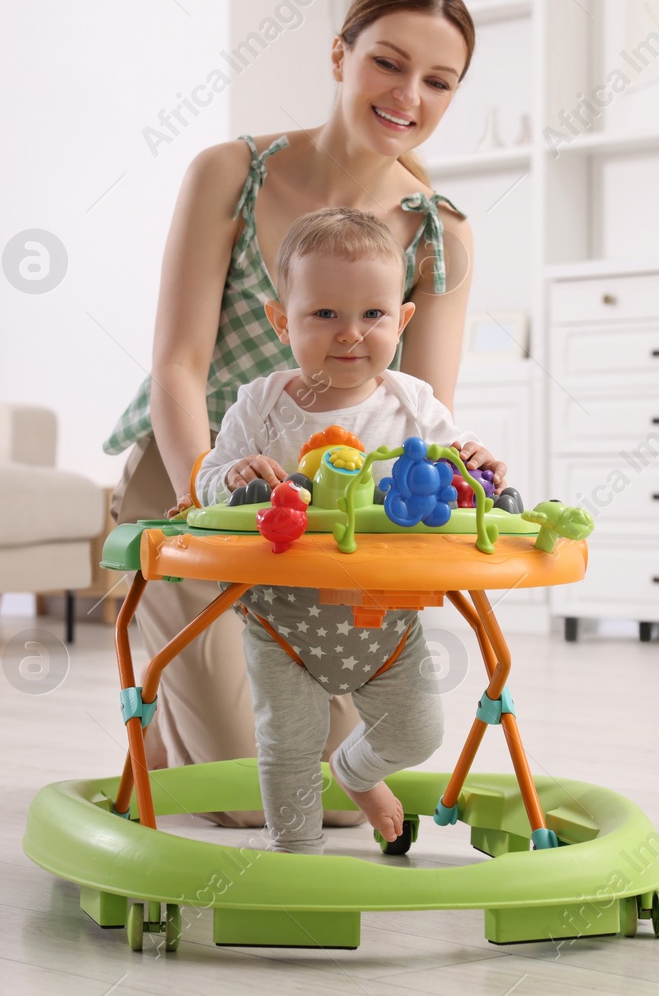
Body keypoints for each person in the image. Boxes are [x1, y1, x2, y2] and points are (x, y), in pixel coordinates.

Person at [105, 0, 499, 827]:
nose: (409, 95)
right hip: (196, 471)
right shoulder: (232, 173)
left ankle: (180, 724)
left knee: (345, 803)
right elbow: (178, 362)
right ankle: (178, 709)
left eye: (438, 81)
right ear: (340, 56)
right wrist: (205, 498)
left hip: (331, 507)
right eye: (389, 64)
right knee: (256, 802)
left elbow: (423, 413)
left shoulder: (443, 232)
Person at [195, 206, 506, 852]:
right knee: (286, 746)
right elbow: (204, 484)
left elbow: (458, 469)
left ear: (402, 320)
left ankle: (354, 770)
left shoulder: (412, 403)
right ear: (283, 321)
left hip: (385, 620)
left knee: (418, 732)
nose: (350, 334)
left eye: (373, 314)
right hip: (284, 619)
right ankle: (297, 863)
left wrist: (479, 467)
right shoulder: (260, 403)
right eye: (324, 314)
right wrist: (231, 478)